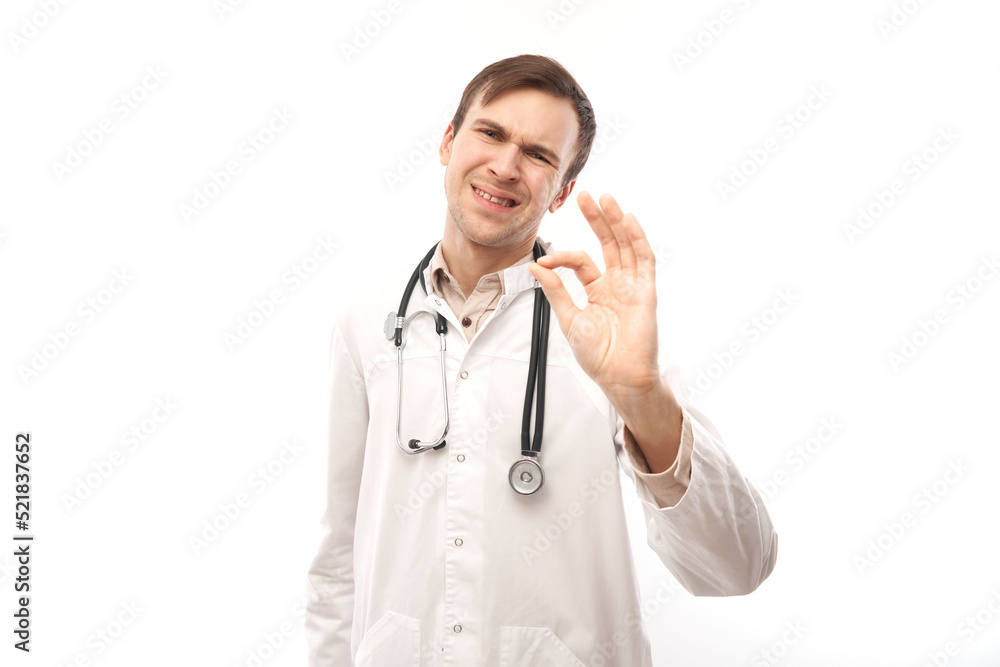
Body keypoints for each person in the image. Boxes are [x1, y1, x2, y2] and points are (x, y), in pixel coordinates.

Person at [305, 54, 777, 667]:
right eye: (491, 133)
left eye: (538, 155)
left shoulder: (606, 330)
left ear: (563, 191)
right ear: (448, 142)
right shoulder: (368, 318)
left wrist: (640, 397)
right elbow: (339, 554)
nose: (505, 167)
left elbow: (737, 567)